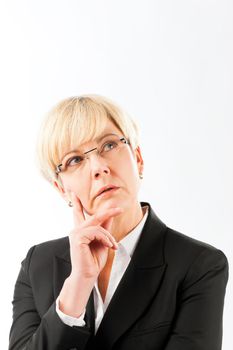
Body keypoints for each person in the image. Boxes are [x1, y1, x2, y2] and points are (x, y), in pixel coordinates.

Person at [9, 95, 228, 350]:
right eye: (75, 160)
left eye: (109, 145)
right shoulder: (37, 265)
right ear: (61, 189)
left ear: (138, 158)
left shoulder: (199, 265)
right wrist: (78, 284)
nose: (99, 167)